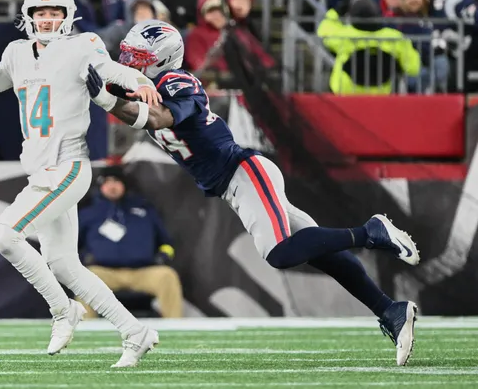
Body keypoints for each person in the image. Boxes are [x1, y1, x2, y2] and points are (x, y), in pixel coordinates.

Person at [84, 19, 420, 367]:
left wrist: (105, 98)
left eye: (137, 57)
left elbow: (157, 118)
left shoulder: (177, 82)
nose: (129, 63)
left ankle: (370, 232)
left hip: (244, 172)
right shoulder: (144, 83)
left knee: (280, 253)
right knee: (320, 252)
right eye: (127, 54)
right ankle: (390, 310)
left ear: (160, 60)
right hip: (235, 184)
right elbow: (118, 92)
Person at [0, 0, 161, 368]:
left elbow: (113, 69)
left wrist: (141, 81)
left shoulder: (82, 46)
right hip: (40, 170)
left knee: (6, 235)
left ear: (68, 16)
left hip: (68, 165)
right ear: (29, 16)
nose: (48, 20)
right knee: (64, 263)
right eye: (41, 13)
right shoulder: (16, 52)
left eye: (55, 13)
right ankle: (136, 331)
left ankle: (63, 310)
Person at [78, 166, 183, 318]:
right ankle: (83, 332)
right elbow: (72, 246)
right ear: (100, 186)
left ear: (125, 185)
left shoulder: (145, 210)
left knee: (167, 276)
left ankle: (177, 330)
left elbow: (167, 243)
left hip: (142, 272)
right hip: (104, 272)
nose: (112, 186)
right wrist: (84, 258)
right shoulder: (88, 213)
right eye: (107, 182)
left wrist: (163, 256)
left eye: (116, 181)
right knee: (85, 278)